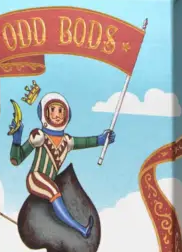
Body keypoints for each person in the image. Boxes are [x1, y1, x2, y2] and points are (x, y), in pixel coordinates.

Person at [9, 92, 115, 238]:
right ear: (45, 113)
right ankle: (81, 229)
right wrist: (16, 139)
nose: (57, 114)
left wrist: (102, 139)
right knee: (54, 191)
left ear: (66, 114)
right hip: (35, 178)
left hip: (50, 180)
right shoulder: (39, 136)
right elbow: (16, 159)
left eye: (60, 110)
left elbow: (87, 142)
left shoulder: (67, 141)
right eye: (53, 110)